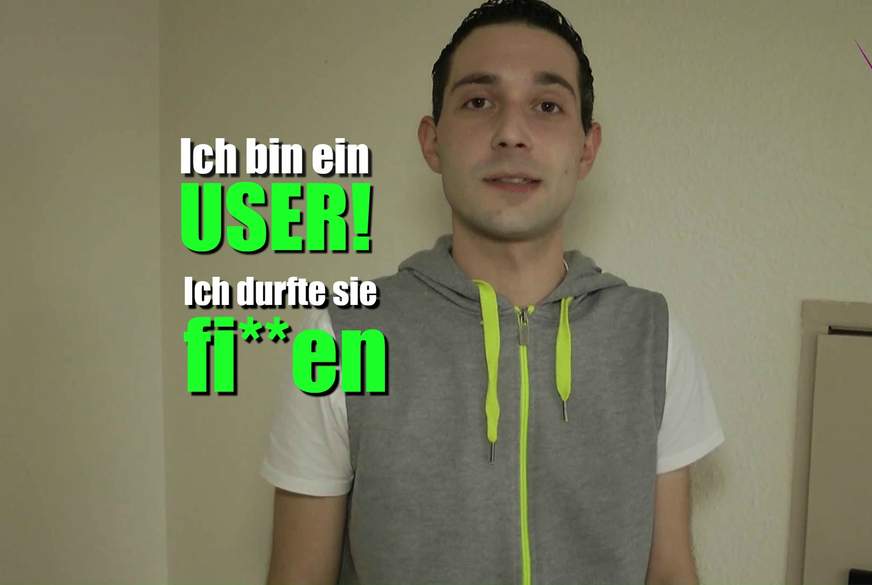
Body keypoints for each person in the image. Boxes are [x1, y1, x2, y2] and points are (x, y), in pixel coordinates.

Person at [261, 1, 725, 584]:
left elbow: (672, 572)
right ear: (433, 141)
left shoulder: (654, 339)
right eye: (479, 102)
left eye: (547, 106)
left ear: (586, 148)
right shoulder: (338, 338)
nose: (510, 133)